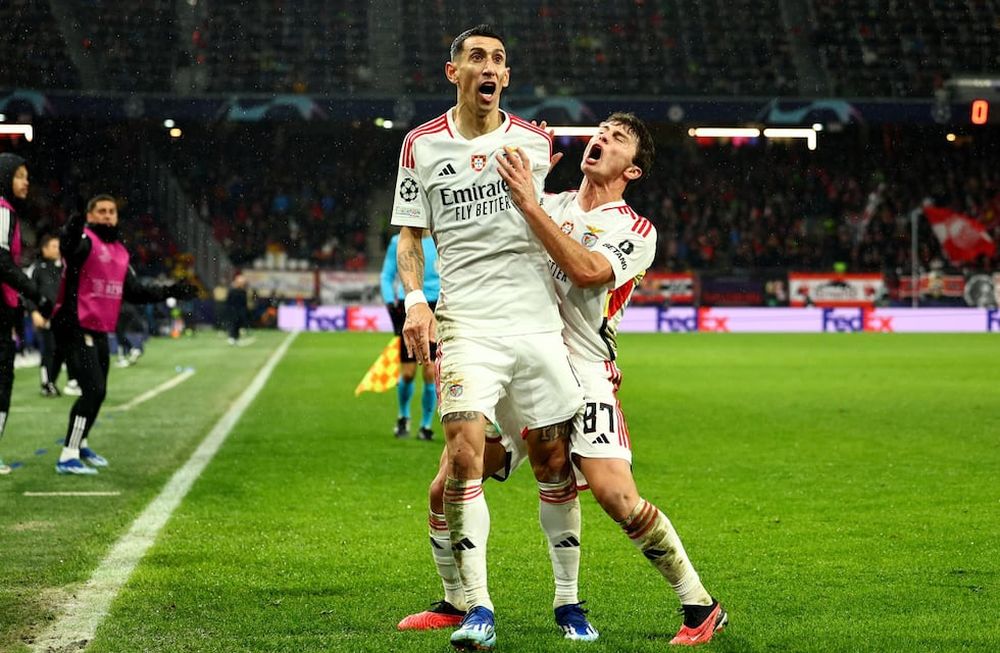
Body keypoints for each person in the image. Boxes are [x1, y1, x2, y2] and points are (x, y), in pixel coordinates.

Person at [401, 114, 727, 646]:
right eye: (599, 131)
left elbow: (590, 273)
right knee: (450, 482)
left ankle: (699, 604)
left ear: (635, 170)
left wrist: (530, 201)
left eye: (617, 138)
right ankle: (456, 600)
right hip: (524, 355)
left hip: (587, 370)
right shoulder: (549, 202)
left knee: (615, 495)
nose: (600, 139)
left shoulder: (634, 230)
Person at [391, 25, 586, 650]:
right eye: (477, 57)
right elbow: (410, 235)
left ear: (506, 75)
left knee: (555, 462)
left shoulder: (535, 141)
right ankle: (478, 607)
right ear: (455, 73)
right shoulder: (420, 145)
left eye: (499, 58)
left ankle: (568, 603)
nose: (490, 66)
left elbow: (556, 219)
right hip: (466, 324)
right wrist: (416, 302)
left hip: (535, 323)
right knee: (465, 455)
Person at [51, 194, 196, 475]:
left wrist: (170, 290)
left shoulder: (119, 251)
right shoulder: (85, 241)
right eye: (101, 211)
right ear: (91, 216)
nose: (107, 216)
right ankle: (67, 454)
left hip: (99, 327)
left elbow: (135, 291)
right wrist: (74, 222)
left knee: (99, 392)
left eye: (112, 211)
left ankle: (80, 444)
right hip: (75, 324)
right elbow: (68, 248)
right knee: (94, 389)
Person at [0, 153, 52, 475]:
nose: (25, 181)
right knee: (2, 381)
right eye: (19, 175)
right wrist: (37, 296)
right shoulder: (3, 211)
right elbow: (2, 264)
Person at [380, 229, 439, 440]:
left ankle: (425, 425)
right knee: (407, 372)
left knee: (431, 371)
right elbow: (386, 275)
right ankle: (403, 417)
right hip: (411, 307)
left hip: (436, 308)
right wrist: (390, 302)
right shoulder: (399, 241)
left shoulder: (441, 236)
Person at [26, 234, 69, 395]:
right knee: (49, 349)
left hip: (62, 318)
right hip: (45, 317)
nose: (58, 249)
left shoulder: (63, 268)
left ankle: (52, 381)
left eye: (58, 246)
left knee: (61, 351)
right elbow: (28, 292)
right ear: (44, 249)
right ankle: (46, 383)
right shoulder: (36, 269)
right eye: (54, 246)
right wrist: (34, 312)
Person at [225, 273, 249, 345]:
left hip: (240, 310)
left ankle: (236, 337)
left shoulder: (243, 291)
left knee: (238, 324)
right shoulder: (232, 290)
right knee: (233, 323)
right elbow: (228, 301)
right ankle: (231, 337)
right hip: (232, 310)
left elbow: (244, 303)